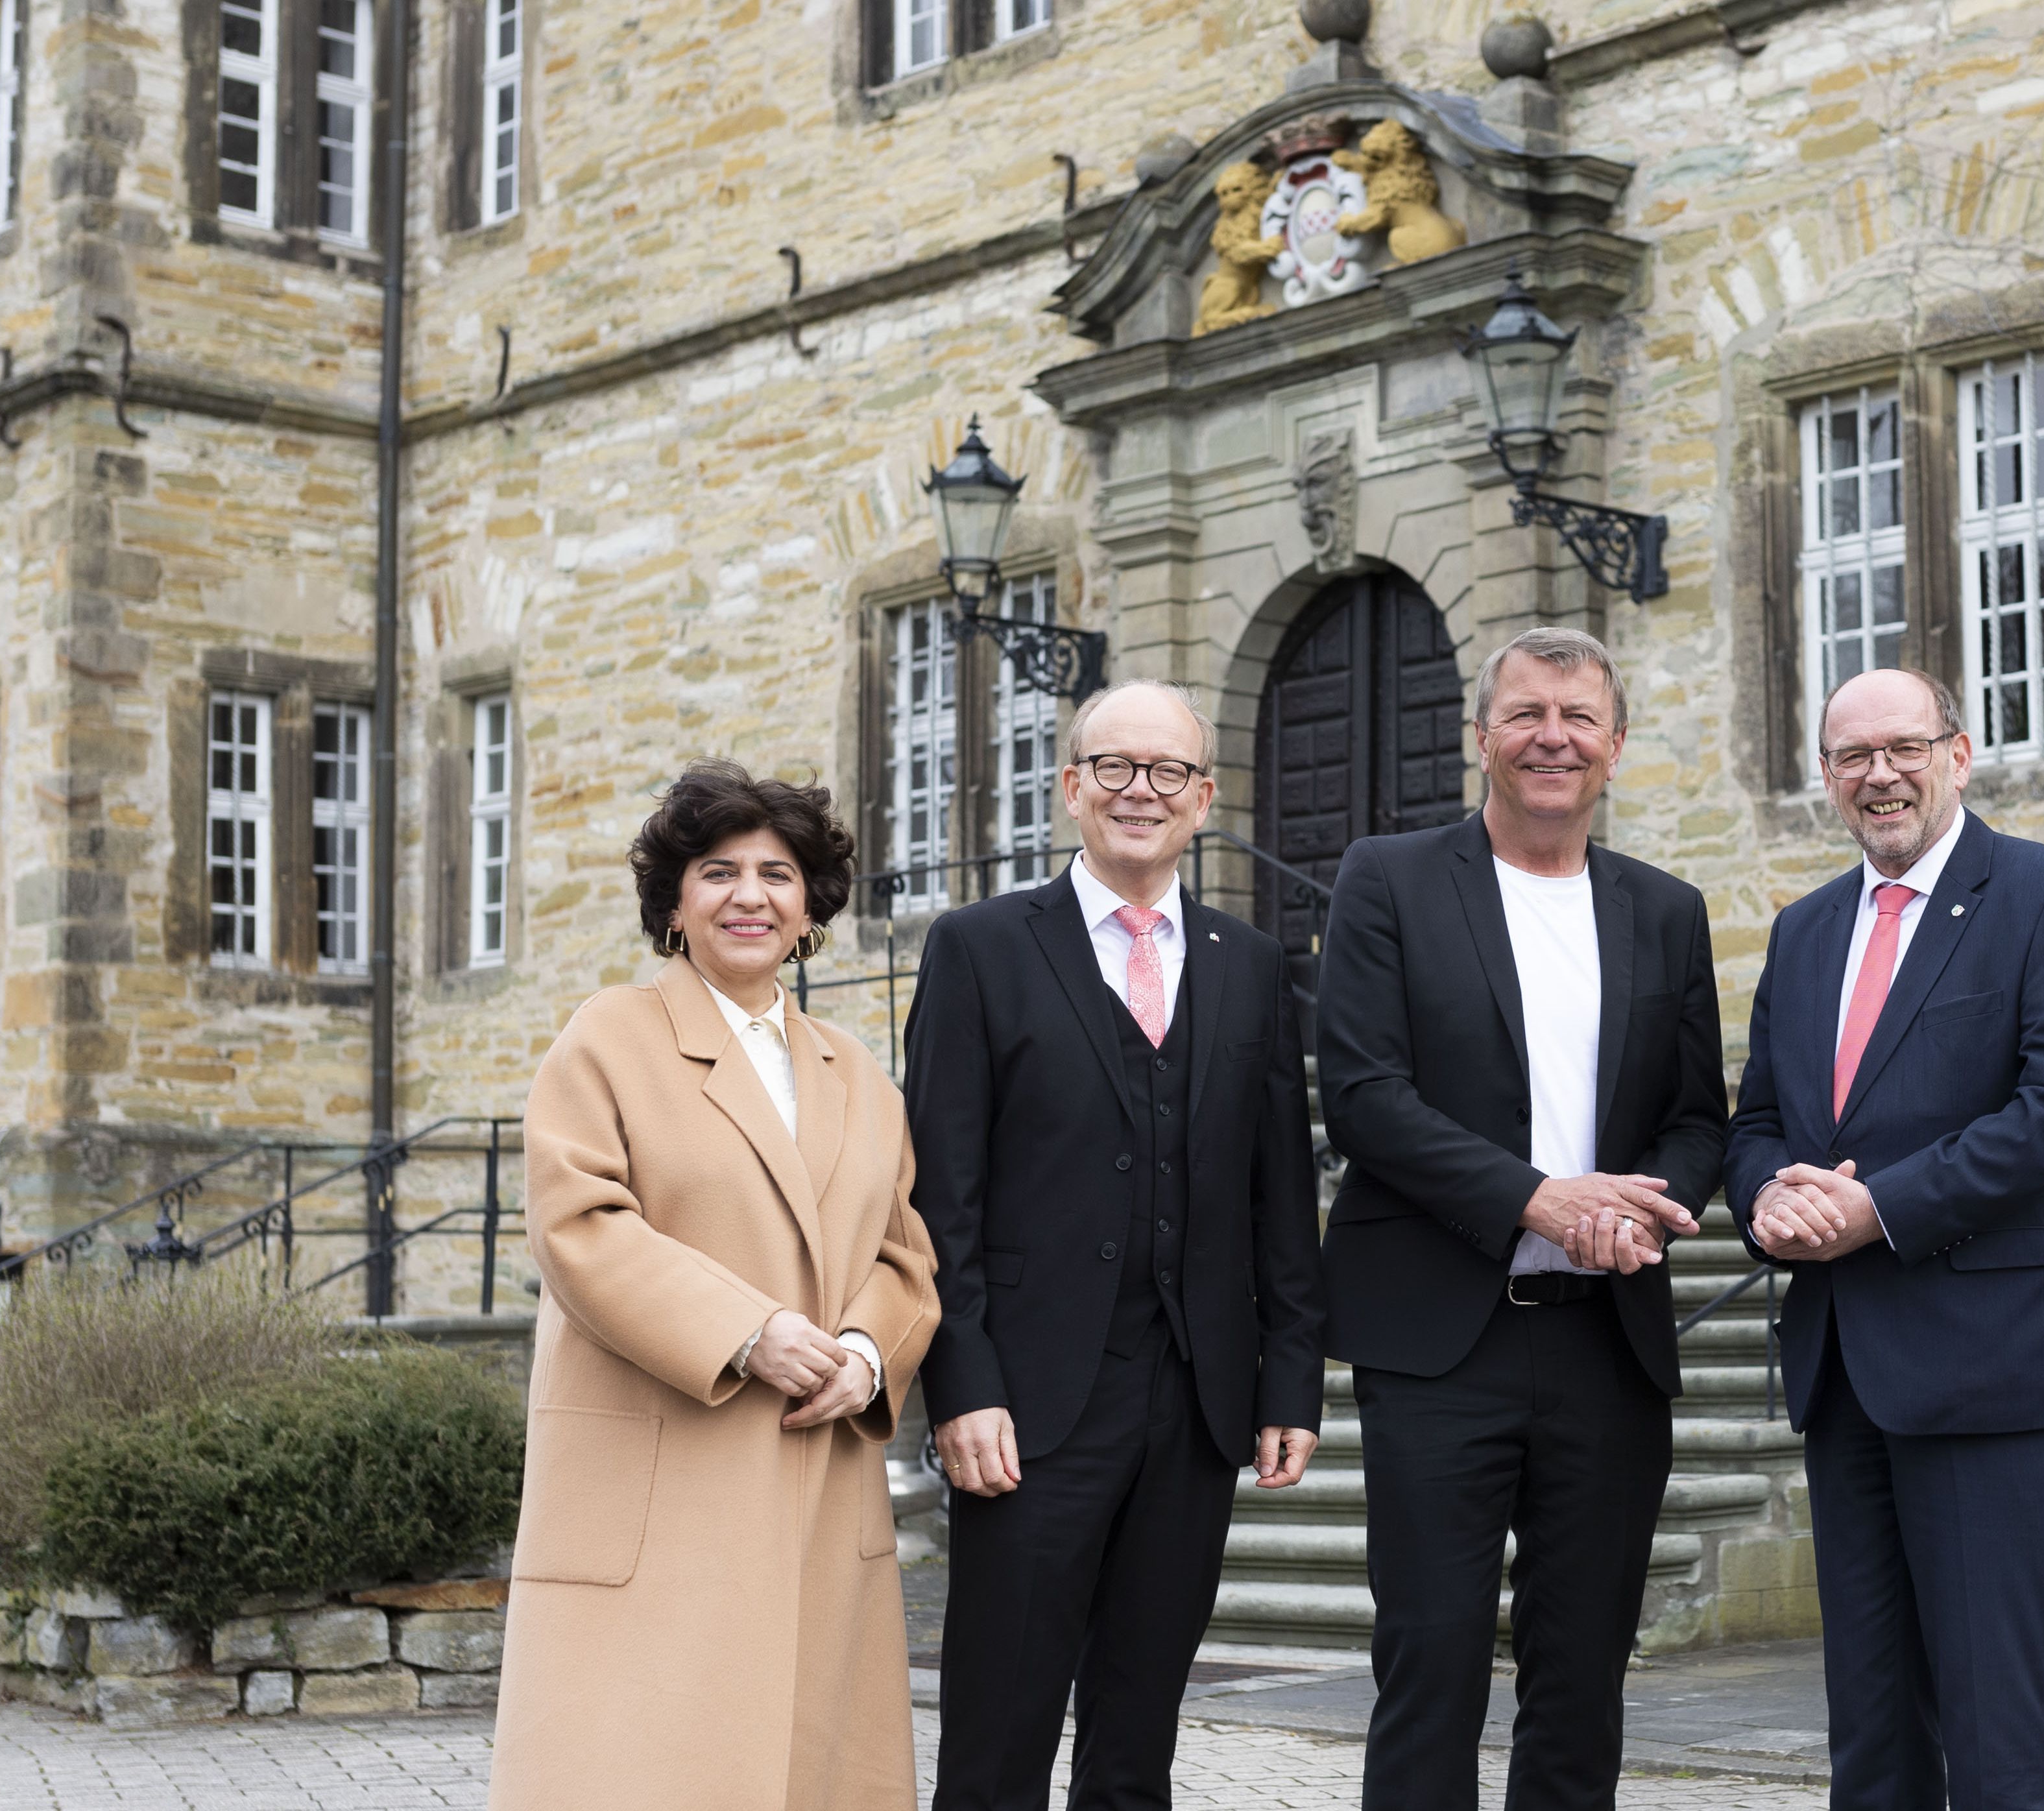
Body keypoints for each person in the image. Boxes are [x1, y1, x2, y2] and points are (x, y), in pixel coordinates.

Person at [1316, 626, 1729, 1811]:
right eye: (1528, 714)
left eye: (1579, 718)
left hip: (1609, 1336)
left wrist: (1642, 1215)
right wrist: (1539, 1197)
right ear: (1480, 738)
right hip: (1444, 1338)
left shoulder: (1668, 909)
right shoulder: (1387, 879)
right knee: (1432, 1657)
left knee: (1583, 1664)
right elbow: (1364, 1098)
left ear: (1616, 747)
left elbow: (1699, 1117)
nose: (1554, 737)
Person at [904, 679, 1325, 1811]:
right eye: (1118, 769)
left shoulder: (1250, 962)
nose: (1144, 791)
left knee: (1139, 1734)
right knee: (999, 1732)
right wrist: (961, 1387)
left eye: (1170, 773)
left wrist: (1290, 1379)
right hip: (1030, 1404)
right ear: (1072, 787)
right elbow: (938, 1199)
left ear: (1204, 798)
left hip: (1194, 1404)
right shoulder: (979, 948)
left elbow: (1280, 1197)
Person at [491, 763, 940, 1811]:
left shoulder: (857, 1073)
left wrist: (869, 1357)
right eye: (718, 871)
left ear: (810, 904)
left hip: (816, 1482)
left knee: (812, 1769)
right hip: (660, 1484)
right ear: (674, 902)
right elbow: (579, 1225)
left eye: (778, 874)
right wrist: (748, 1332)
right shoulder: (607, 1038)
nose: (750, 896)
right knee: (648, 1769)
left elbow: (905, 1254)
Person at [1729, 667, 2044, 1811]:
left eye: (1906, 747)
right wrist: (1771, 1204)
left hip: (1988, 1354)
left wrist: (1878, 1209)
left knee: (1993, 1712)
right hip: (1843, 1360)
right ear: (1826, 777)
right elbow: (1759, 1118)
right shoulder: (1807, 930)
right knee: (1869, 1712)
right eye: (1853, 756)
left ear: (1959, 755)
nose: (1881, 774)